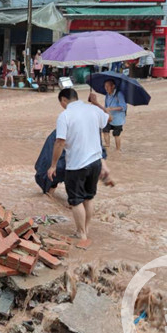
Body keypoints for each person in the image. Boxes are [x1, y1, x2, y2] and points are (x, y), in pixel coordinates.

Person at [46, 88, 109, 240]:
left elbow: (60, 142)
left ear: (64, 101)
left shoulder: (65, 115)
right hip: (95, 162)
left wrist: (53, 165)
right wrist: (96, 103)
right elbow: (109, 119)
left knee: (76, 201)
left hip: (77, 164)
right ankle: (86, 229)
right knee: (89, 197)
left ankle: (81, 233)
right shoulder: (93, 109)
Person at [35, 130, 111, 198]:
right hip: (79, 159)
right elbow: (97, 147)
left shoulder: (67, 121)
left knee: (53, 175)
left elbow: (58, 144)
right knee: (83, 196)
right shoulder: (92, 124)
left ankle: (49, 196)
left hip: (66, 155)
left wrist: (53, 166)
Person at [98, 79, 127, 151]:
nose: (106, 88)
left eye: (107, 86)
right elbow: (106, 106)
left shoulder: (119, 94)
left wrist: (112, 108)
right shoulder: (107, 95)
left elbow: (123, 107)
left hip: (118, 118)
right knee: (105, 130)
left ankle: (118, 149)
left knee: (116, 134)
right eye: (105, 86)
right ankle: (107, 144)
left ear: (113, 86)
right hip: (109, 117)